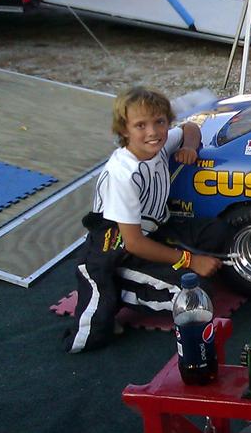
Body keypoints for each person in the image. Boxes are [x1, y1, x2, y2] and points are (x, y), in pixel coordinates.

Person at [64, 87, 230, 353]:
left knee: (218, 231)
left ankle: (146, 277)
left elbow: (190, 128)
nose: (153, 132)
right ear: (124, 130)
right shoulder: (123, 174)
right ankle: (118, 288)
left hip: (155, 231)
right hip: (115, 246)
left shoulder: (158, 146)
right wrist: (190, 260)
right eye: (141, 125)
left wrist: (188, 146)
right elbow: (134, 243)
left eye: (159, 122)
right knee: (195, 296)